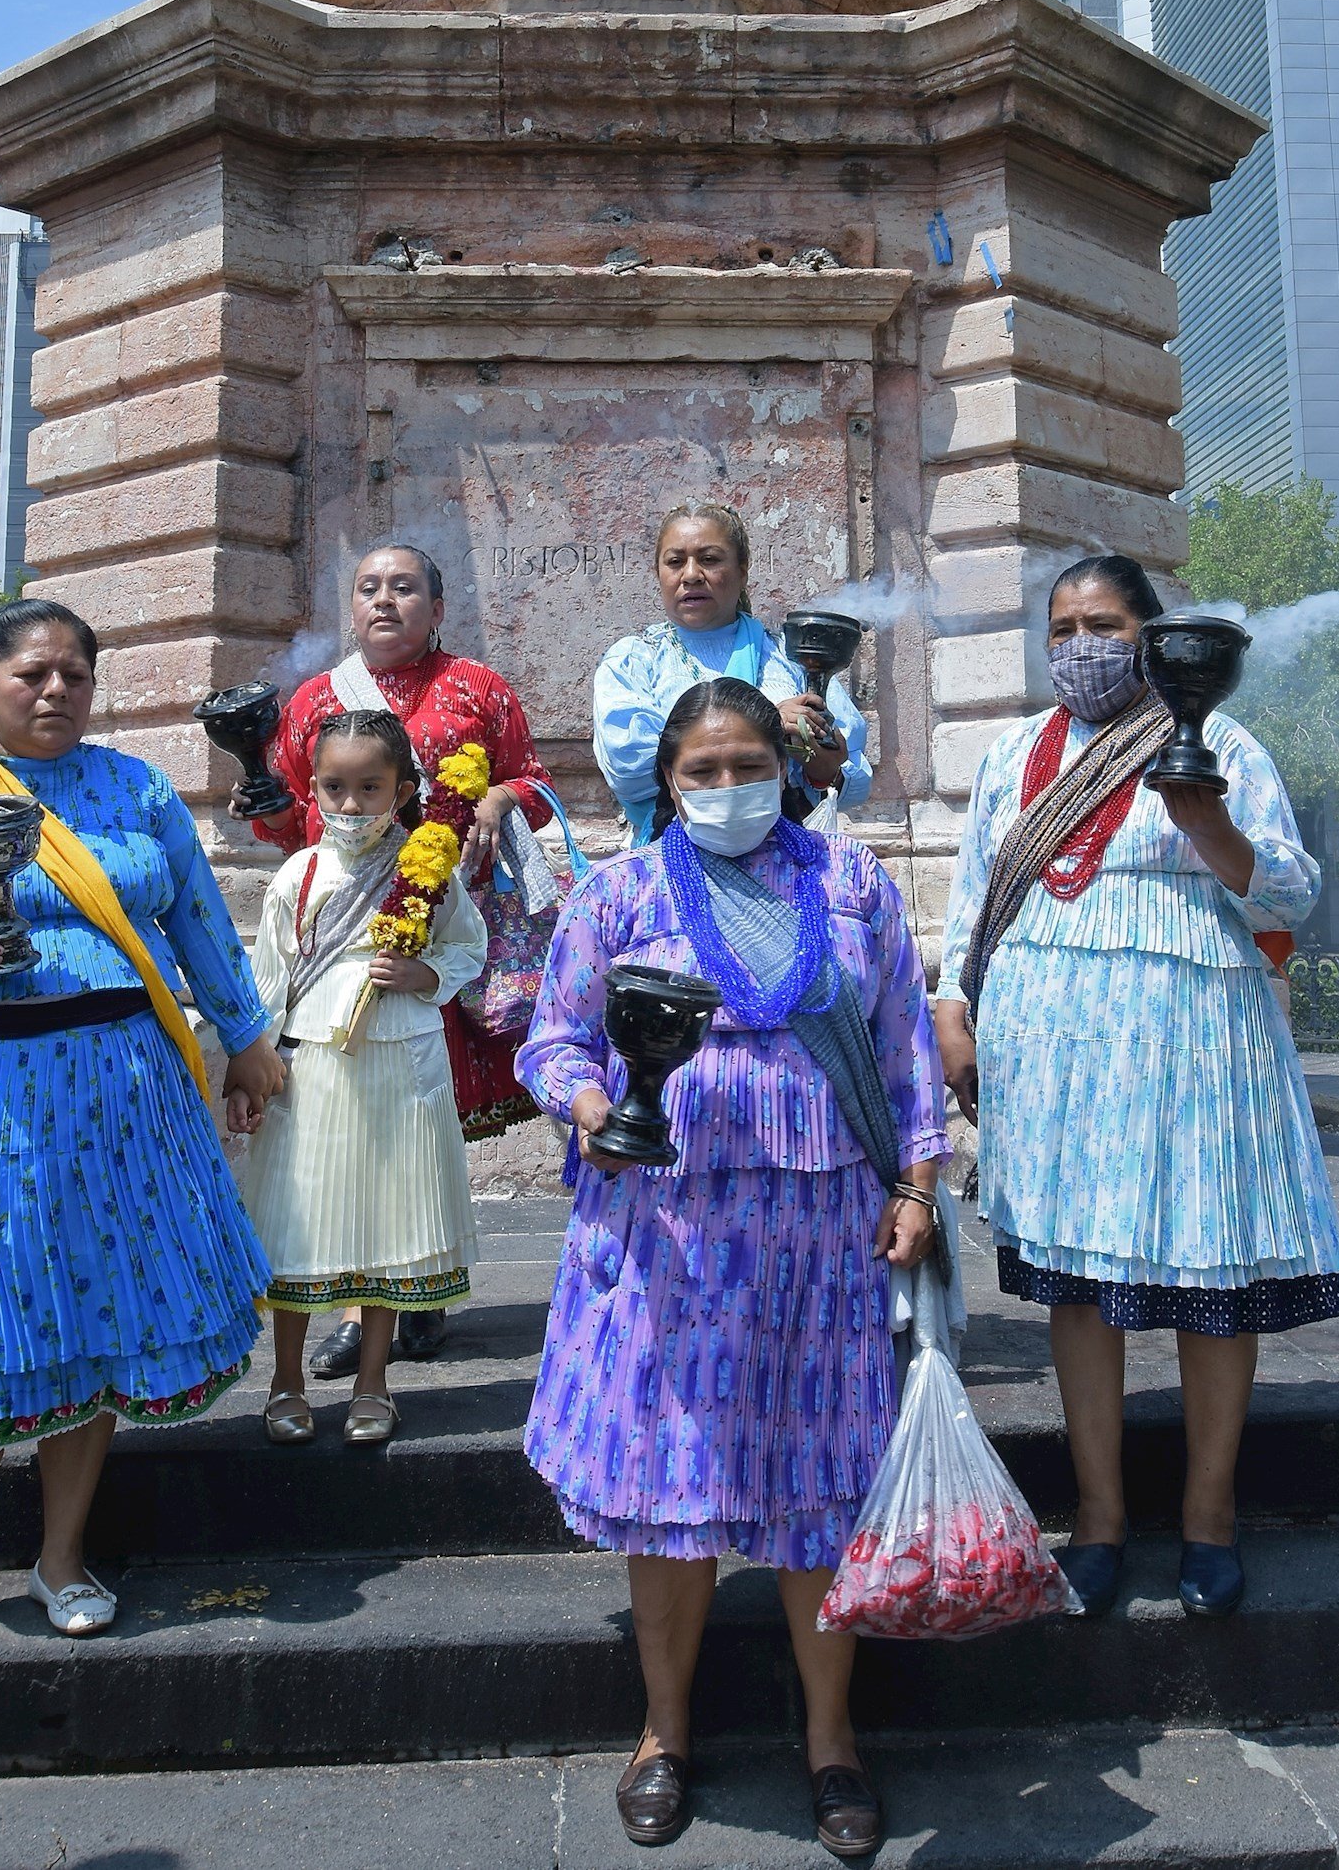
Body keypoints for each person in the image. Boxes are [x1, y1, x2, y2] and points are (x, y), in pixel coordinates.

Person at [519, 678, 945, 1860]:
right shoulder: (621, 891)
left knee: (819, 1497)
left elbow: (904, 1047)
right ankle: (662, 1734)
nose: (724, 788)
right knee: (669, 1498)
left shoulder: (850, 884)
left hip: (823, 1240)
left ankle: (831, 1740)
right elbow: (551, 1036)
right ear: (665, 781)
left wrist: (916, 1185)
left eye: (745, 765)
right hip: (664, 1238)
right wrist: (592, 1100)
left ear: (785, 767)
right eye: (700, 772)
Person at [0, 601, 283, 1659]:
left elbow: (196, 922)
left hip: (127, 1094)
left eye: (76, 674)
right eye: (33, 673)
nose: (56, 691)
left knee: (96, 1312)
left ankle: (62, 1554)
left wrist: (246, 1031)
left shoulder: (134, 791)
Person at [931, 552, 1339, 1624]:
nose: (1079, 647)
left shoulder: (1218, 744)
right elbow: (973, 892)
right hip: (1051, 1046)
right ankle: (1099, 1517)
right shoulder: (1016, 750)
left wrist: (1206, 822)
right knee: (1077, 1283)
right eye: (1062, 627)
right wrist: (951, 1006)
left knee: (1208, 1277)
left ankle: (1208, 1519)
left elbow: (1294, 891)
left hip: (1192, 1034)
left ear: (1153, 636)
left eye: (1104, 624)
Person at [241, 544, 555, 1368]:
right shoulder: (312, 702)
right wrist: (264, 804)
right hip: (342, 939)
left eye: (405, 586)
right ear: (351, 608)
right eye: (369, 587)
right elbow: (287, 827)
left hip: (444, 920)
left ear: (437, 606)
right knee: (351, 1128)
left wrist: (499, 794)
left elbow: (538, 784)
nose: (385, 600)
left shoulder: (480, 688)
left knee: (418, 1132)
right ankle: (351, 1308)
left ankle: (421, 1289)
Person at [228, 709, 485, 1447]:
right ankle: (285, 1381)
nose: (350, 805)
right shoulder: (297, 874)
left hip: (401, 1067)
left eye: (369, 787)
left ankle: (375, 1380)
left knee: (388, 1223)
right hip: (311, 1071)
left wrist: (424, 971)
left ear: (402, 788)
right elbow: (267, 982)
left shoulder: (429, 869)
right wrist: (253, 1070)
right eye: (334, 788)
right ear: (312, 791)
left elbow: (471, 945)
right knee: (297, 1221)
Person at [593, 503, 872, 842]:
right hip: (671, 853)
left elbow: (850, 777)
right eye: (675, 561)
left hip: (783, 858)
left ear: (742, 572)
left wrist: (821, 766)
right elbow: (629, 771)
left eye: (709, 559)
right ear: (659, 574)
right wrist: (768, 723)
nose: (692, 574)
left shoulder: (790, 658)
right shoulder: (636, 661)